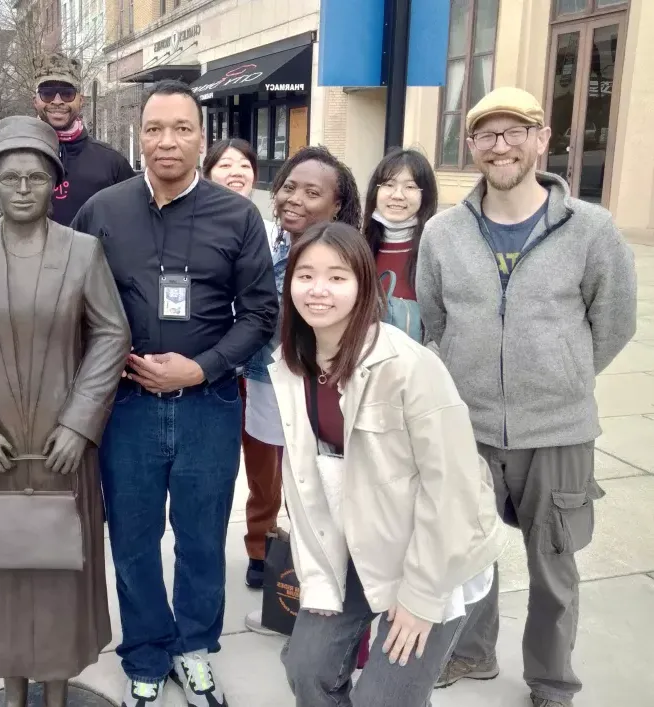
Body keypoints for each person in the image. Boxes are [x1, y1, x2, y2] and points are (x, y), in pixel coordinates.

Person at [420, 87, 637, 707]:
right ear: (472, 148)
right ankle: (471, 652)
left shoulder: (590, 229)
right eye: (487, 135)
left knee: (555, 564)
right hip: (471, 427)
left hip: (560, 431)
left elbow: (615, 320)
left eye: (516, 132)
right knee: (470, 554)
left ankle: (550, 680)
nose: (501, 146)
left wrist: (562, 378)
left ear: (543, 140)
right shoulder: (444, 234)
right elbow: (436, 321)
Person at [72, 80, 279, 707]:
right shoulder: (102, 213)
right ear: (141, 136)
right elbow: (69, 305)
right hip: (126, 409)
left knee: (200, 536)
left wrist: (203, 368)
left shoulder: (236, 216)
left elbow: (260, 314)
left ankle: (194, 649)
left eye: (182, 129)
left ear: (202, 137)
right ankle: (144, 652)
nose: (168, 141)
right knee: (131, 539)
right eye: (156, 128)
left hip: (206, 409)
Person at [0, 115, 130, 707]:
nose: (20, 188)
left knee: (63, 571)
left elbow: (111, 335)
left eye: (34, 177)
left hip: (65, 451)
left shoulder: (83, 253)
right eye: (8, 177)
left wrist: (80, 422)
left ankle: (58, 691)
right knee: (4, 571)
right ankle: (14, 693)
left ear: (54, 184)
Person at [273, 221, 507, 707]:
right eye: (306, 275)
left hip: (430, 551)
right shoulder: (291, 364)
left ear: (363, 285)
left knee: (385, 697)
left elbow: (454, 492)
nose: (319, 290)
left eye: (337, 277)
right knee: (305, 669)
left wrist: (422, 598)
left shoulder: (410, 366)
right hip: (353, 541)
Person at [235, 145, 365, 648]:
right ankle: (293, 603)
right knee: (291, 492)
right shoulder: (266, 243)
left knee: (318, 499)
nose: (294, 198)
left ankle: (324, 616)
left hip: (320, 394)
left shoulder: (337, 254)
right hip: (270, 386)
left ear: (336, 206)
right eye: (289, 186)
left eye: (313, 192)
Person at [202, 138, 282, 590]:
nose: (236, 171)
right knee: (213, 468)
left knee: (264, 467)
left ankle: (260, 544)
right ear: (208, 171)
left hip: (258, 367)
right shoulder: (195, 227)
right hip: (209, 366)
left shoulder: (275, 233)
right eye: (225, 164)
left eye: (244, 164)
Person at [33, 51, 134, 226]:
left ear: (81, 100)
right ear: (35, 101)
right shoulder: (17, 156)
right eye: (47, 93)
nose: (57, 101)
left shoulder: (111, 162)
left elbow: (134, 221)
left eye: (67, 93)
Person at [362, 149, 439, 343]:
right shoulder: (357, 249)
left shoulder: (436, 251)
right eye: (388, 184)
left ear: (426, 195)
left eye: (410, 187)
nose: (398, 195)